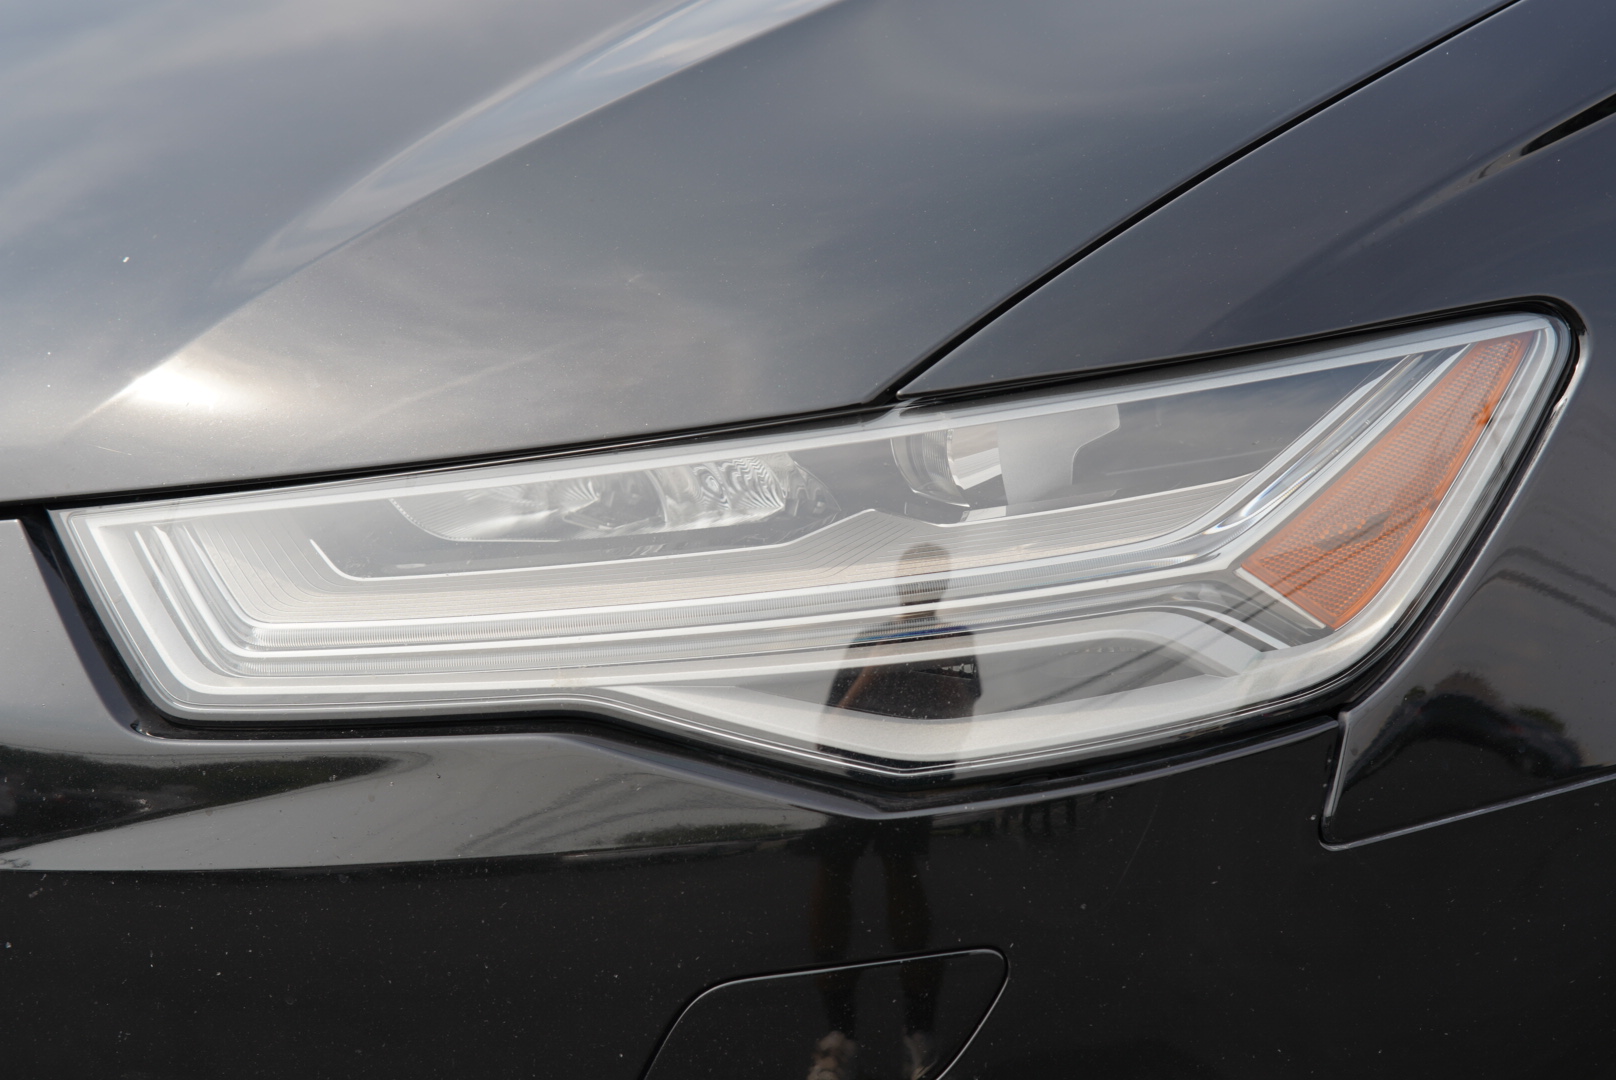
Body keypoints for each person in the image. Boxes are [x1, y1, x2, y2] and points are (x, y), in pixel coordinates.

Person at [805, 544, 980, 1080]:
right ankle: (838, 1034)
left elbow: (960, 719)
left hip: (918, 783)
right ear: (899, 582)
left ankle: (917, 1031)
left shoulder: (956, 640)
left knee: (903, 877)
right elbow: (829, 730)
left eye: (931, 576)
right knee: (832, 876)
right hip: (855, 782)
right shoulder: (870, 639)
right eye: (913, 576)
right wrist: (875, 669)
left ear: (943, 583)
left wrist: (935, 666)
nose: (920, 586)